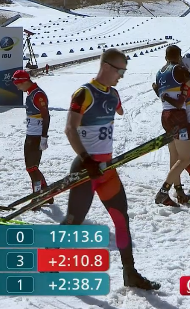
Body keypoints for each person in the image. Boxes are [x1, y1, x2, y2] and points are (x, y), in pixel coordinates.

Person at [62, 48, 159, 290]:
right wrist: (86, 159)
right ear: (106, 67)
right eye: (120, 71)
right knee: (74, 222)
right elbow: (70, 129)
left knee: (121, 220)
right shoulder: (84, 93)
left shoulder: (113, 94)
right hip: (86, 169)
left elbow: (118, 109)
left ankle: (130, 273)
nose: (122, 76)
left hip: (107, 169)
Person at [153, 46, 190, 207]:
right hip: (178, 117)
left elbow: (161, 93)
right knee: (184, 159)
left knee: (174, 157)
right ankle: (163, 192)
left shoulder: (159, 72)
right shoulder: (179, 69)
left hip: (165, 116)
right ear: (179, 57)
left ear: (165, 57)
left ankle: (179, 191)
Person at [11, 70, 53, 207]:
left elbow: (46, 116)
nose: (18, 88)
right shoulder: (31, 93)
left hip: (36, 137)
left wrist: (44, 137)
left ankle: (38, 197)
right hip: (31, 135)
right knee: (33, 168)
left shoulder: (38, 95)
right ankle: (46, 194)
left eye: (18, 85)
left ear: (24, 81)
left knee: (32, 168)